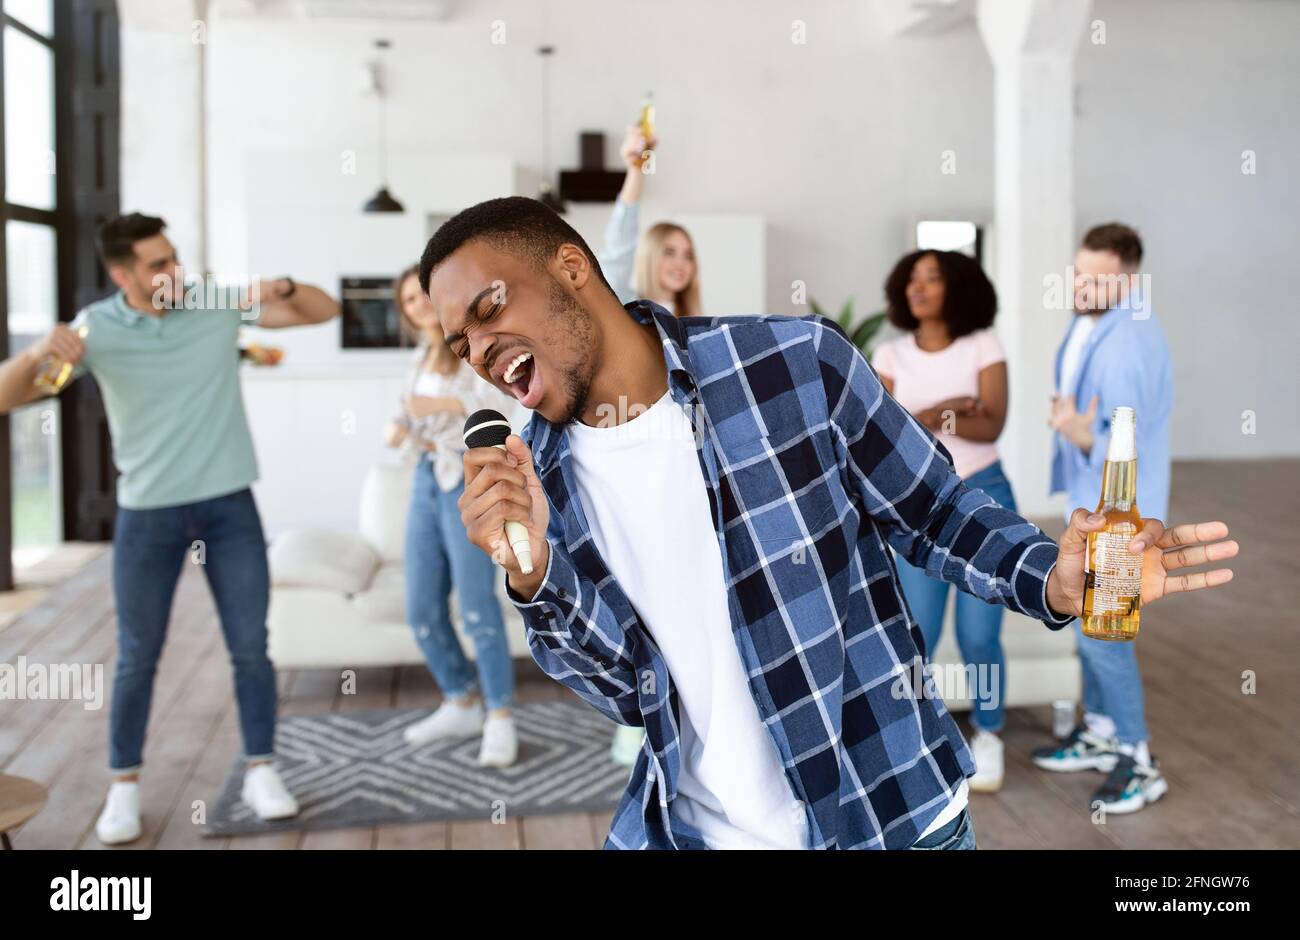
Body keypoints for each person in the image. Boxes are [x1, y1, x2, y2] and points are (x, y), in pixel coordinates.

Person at [423, 196, 1235, 850]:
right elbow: (627, 697)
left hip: (889, 812)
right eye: (460, 341)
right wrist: (533, 576)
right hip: (693, 830)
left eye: (490, 308)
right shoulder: (541, 482)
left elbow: (938, 513)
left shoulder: (791, 363)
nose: (480, 348)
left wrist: (1052, 575)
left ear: (571, 267)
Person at [0, 212, 341, 844]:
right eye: (158, 264)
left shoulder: (212, 304)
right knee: (138, 655)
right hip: (148, 512)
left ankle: (262, 768)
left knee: (249, 646)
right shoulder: (95, 328)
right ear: (121, 273)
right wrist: (40, 351)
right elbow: (7, 394)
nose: (174, 271)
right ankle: (123, 786)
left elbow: (324, 312)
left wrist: (283, 287)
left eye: (175, 257)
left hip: (228, 505)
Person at [1033, 222, 1174, 814]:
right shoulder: (1090, 321)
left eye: (1099, 278)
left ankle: (1139, 761)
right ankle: (1099, 732)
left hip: (1120, 516)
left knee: (1104, 635)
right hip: (1090, 506)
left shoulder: (1128, 341)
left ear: (1129, 279)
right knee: (1090, 629)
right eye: (1080, 273)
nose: (1084, 286)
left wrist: (1076, 431)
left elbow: (1123, 438)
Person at [871, 249, 1013, 793]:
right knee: (918, 635)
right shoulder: (890, 353)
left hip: (985, 496)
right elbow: (882, 436)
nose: (919, 287)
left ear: (958, 286)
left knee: (980, 636)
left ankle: (990, 732)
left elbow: (992, 425)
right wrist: (943, 412)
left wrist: (927, 418)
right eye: (911, 278)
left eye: (932, 278)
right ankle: (920, 741)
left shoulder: (983, 345)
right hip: (919, 505)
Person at [386, 264, 519, 766]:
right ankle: (460, 698)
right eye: (407, 302)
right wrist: (403, 425)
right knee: (421, 608)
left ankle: (500, 715)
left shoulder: (468, 346)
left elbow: (494, 408)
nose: (416, 307)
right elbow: (410, 411)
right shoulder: (419, 356)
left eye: (420, 297)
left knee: (476, 606)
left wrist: (436, 401)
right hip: (424, 476)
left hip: (464, 478)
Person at [599, 125, 703, 317]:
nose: (681, 264)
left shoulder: (695, 322)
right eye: (669, 252)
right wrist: (636, 168)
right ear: (650, 254)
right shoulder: (627, 308)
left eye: (688, 256)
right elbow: (618, 252)